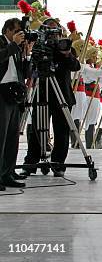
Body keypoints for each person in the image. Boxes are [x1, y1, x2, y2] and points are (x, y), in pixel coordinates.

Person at [23, 18, 81, 178]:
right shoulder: (39, 49)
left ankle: (58, 164)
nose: (52, 35)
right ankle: (31, 163)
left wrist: (67, 54)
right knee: (36, 129)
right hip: (41, 94)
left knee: (62, 131)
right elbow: (29, 69)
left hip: (61, 94)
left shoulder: (65, 47)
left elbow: (76, 66)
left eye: (55, 31)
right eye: (48, 30)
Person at [0, 18, 30, 190]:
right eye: (18, 31)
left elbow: (24, 72)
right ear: (9, 30)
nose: (21, 35)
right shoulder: (2, 42)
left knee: (12, 137)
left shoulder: (17, 48)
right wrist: (13, 46)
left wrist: (27, 53)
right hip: (1, 91)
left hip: (14, 93)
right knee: (1, 137)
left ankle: (8, 173)